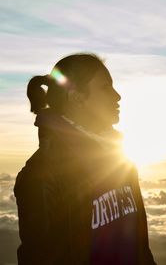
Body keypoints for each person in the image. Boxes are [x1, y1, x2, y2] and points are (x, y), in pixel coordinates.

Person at [14, 53, 157, 265]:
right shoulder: (40, 175)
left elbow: (141, 249)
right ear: (77, 97)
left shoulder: (121, 161)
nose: (117, 96)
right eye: (105, 87)